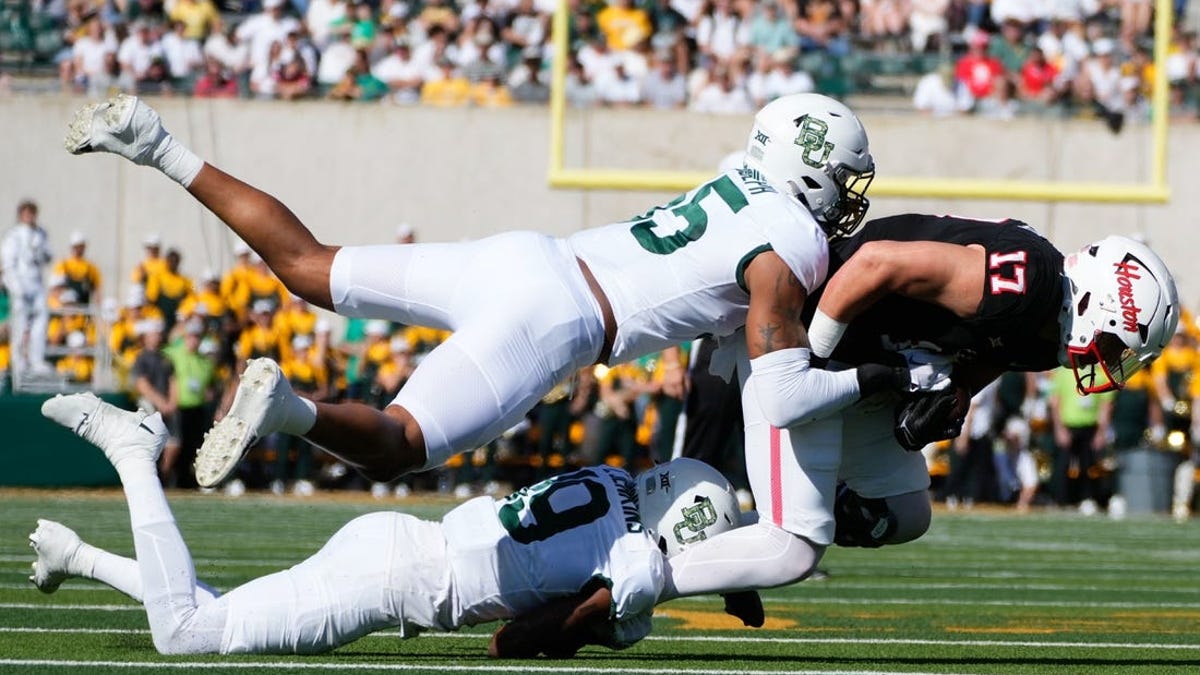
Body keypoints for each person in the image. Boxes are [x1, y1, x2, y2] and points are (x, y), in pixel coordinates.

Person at [63, 92, 904, 499]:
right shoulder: (792, 236)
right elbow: (772, 374)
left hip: (527, 257)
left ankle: (158, 143)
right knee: (399, 443)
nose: (845, 195)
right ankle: (287, 409)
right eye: (840, 178)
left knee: (307, 265)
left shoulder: (738, 180)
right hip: (558, 318)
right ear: (807, 167)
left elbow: (705, 329)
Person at [654, 215, 1180, 602]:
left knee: (904, 514)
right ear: (1099, 303)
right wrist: (808, 361)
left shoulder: (1044, 334)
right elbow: (874, 263)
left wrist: (947, 401)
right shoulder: (1024, 287)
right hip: (805, 334)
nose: (1113, 364)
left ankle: (730, 548)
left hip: (863, 366)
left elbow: (989, 356)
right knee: (791, 551)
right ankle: (636, 585)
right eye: (1118, 346)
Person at [31, 393, 740, 658]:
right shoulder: (634, 557)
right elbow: (511, 642)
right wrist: (604, 611)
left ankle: (77, 555)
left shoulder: (616, 481)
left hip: (400, 540)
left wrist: (736, 582)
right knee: (186, 634)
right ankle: (131, 451)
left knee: (214, 613)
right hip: (398, 580)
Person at [1, 199, 53, 375]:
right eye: (27, 213)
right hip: (21, 285)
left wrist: (40, 251)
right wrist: (16, 287)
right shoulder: (14, 235)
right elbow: (8, 264)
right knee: (20, 323)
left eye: (33, 213)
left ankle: (36, 360)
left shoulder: (40, 234)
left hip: (36, 283)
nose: (30, 216)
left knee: (40, 320)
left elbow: (48, 256)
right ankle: (19, 360)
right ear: (21, 215)